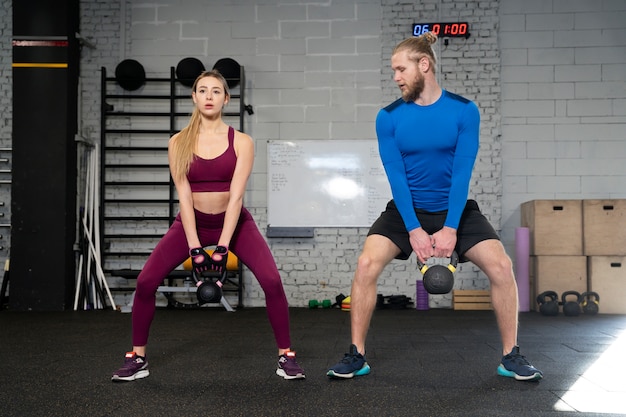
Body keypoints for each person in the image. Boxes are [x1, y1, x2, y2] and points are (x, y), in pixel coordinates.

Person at [327, 33, 543, 382]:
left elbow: (462, 173)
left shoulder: (464, 111)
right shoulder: (388, 117)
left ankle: (511, 356)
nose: (395, 77)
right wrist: (413, 229)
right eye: (393, 71)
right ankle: (356, 354)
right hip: (405, 209)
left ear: (423, 65)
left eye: (400, 69)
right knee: (366, 263)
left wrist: (451, 228)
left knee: (502, 266)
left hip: (455, 209)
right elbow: (396, 177)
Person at [112, 70, 305, 382]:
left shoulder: (242, 141)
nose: (209, 96)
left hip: (235, 222)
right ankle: (137, 358)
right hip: (192, 223)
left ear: (226, 99)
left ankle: (286, 356)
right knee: (146, 282)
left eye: (216, 91)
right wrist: (194, 247)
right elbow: (184, 196)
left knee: (271, 281)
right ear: (194, 97)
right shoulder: (178, 142)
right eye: (202, 90)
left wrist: (223, 246)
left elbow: (237, 196)